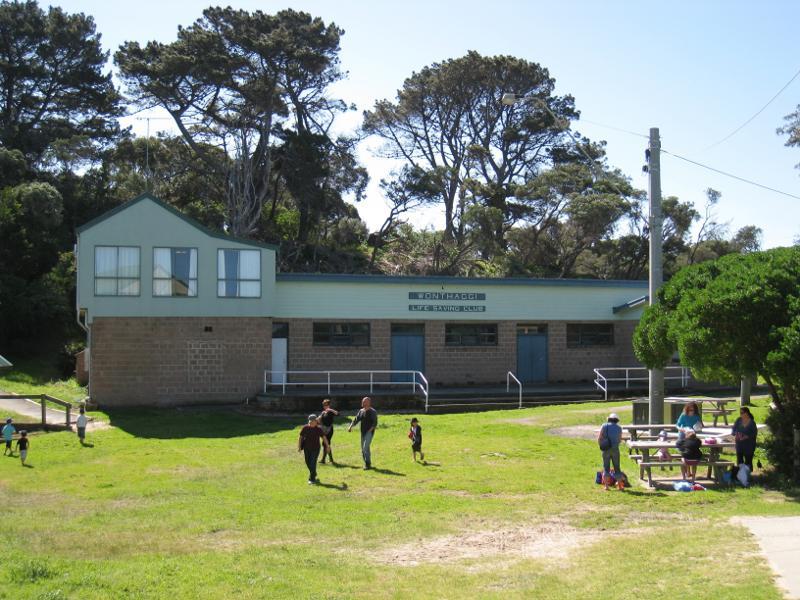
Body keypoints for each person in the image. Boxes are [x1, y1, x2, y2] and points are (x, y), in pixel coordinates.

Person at [298, 414, 330, 484]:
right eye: (311, 421)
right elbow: (301, 437)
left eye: (313, 421)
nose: (312, 422)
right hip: (307, 448)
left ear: (316, 421)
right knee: (307, 462)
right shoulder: (305, 428)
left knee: (313, 463)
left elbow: (324, 437)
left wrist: (327, 446)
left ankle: (312, 479)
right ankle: (314, 473)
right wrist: (299, 447)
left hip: (316, 448)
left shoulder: (318, 429)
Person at [348, 396, 377, 470]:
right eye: (363, 401)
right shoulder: (361, 411)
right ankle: (368, 463)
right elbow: (356, 420)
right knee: (364, 449)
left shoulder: (373, 411)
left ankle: (367, 464)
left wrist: (370, 431)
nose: (363, 403)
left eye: (365, 402)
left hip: (369, 432)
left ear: (369, 403)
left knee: (365, 448)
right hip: (363, 432)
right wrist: (350, 426)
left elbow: (374, 423)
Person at [597, 413, 624, 491]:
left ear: (609, 419)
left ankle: (606, 486)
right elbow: (619, 440)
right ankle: (620, 486)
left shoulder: (604, 426)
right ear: (616, 420)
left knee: (606, 468)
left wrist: (601, 446)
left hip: (606, 449)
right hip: (615, 449)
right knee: (617, 468)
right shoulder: (619, 428)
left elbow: (599, 438)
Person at [732, 406, 757, 472]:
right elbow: (733, 430)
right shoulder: (738, 420)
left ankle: (748, 476)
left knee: (748, 461)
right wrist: (736, 434)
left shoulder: (752, 423)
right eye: (740, 413)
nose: (741, 414)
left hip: (749, 445)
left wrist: (746, 436)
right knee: (740, 461)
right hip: (739, 444)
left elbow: (754, 433)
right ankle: (741, 476)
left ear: (747, 413)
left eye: (742, 413)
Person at [318, 399, 338, 464]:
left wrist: (330, 409)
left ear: (329, 405)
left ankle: (324, 459)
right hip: (323, 429)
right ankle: (330, 459)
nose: (325, 406)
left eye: (326, 405)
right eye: (324, 405)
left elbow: (338, 414)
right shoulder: (323, 412)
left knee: (326, 444)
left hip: (329, 430)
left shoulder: (330, 412)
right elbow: (319, 420)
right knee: (325, 444)